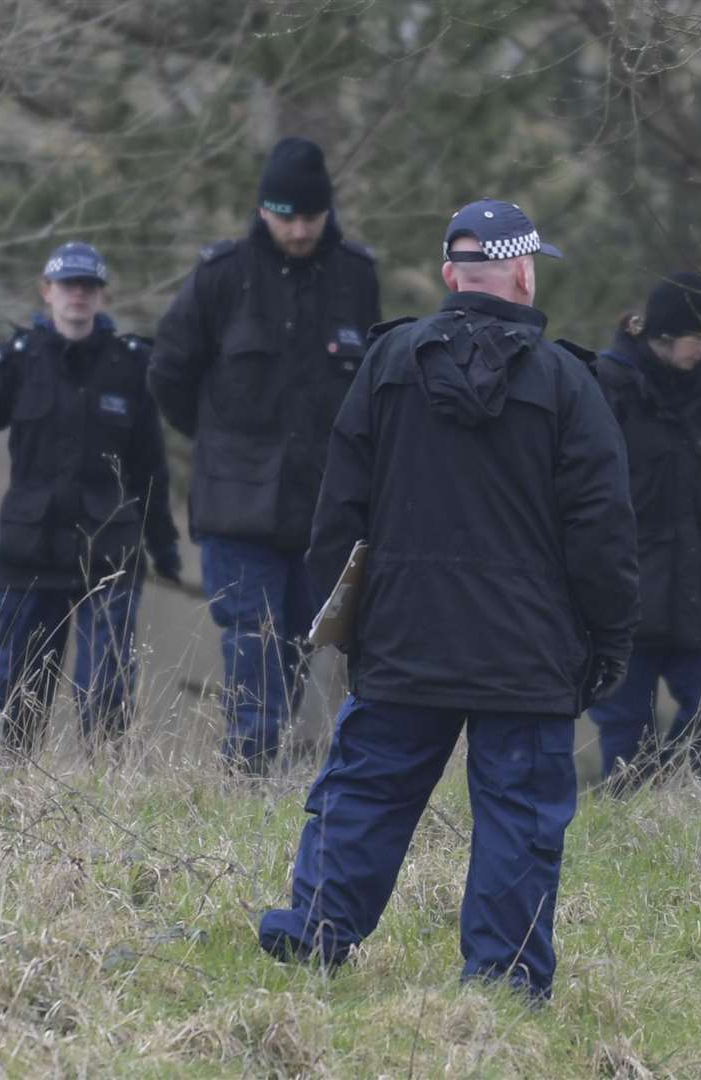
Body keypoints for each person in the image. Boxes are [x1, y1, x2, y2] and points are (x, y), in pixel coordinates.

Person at [257, 200, 639, 1000]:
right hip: (528, 653)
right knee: (517, 819)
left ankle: (318, 930)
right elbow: (602, 533)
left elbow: (338, 514)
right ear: (525, 273)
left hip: (403, 635)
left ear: (448, 276)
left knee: (366, 788)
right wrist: (605, 642)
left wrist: (349, 622)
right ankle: (500, 981)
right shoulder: (570, 384)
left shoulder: (386, 364)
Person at [148, 136, 381, 774]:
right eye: (287, 218)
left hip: (319, 508)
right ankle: (246, 767)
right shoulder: (221, 276)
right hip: (236, 503)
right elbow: (168, 370)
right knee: (251, 636)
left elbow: (369, 391)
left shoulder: (356, 278)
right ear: (264, 211)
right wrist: (217, 439)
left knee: (300, 643)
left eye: (311, 218)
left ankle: (272, 761)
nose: (300, 231)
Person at [0, 242, 181, 755]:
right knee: (20, 695)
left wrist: (163, 544)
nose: (78, 296)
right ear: (47, 291)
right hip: (29, 554)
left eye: (88, 286)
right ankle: (7, 801)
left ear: (102, 294)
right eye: (68, 285)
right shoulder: (15, 362)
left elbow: (149, 465)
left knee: (107, 696)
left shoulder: (130, 366)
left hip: (109, 555)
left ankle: (106, 799)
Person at [588, 270, 701, 791]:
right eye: (697, 338)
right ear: (662, 336)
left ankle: (675, 796)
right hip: (621, 606)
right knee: (626, 752)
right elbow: (583, 505)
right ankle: (632, 835)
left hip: (697, 598)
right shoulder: (603, 392)